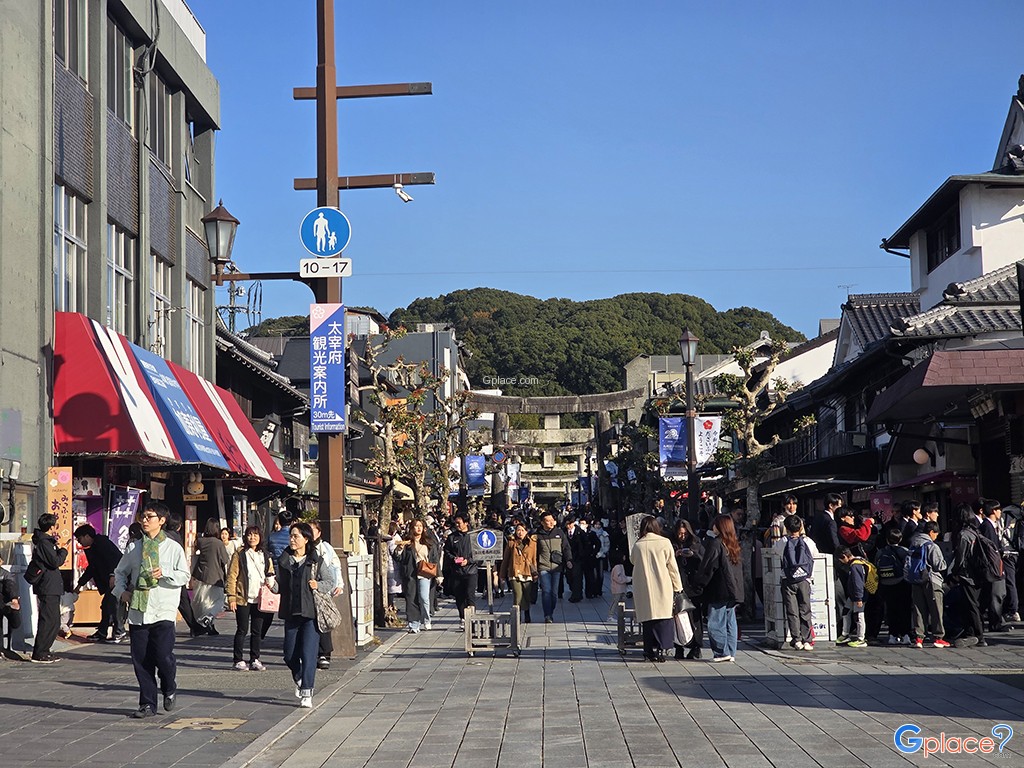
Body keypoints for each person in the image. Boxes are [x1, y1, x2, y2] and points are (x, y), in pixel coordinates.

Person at [113, 502, 190, 718]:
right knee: (141, 660)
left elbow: (185, 576)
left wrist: (164, 572)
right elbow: (119, 572)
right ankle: (147, 703)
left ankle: (169, 686)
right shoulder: (134, 547)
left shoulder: (173, 548)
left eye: (149, 517)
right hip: (139, 610)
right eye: (143, 517)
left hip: (164, 609)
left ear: (162, 520)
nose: (145, 521)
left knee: (163, 655)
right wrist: (121, 592)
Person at [278, 522, 337, 708]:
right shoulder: (284, 560)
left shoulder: (316, 560)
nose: (292, 539)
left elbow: (330, 581)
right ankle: (299, 677)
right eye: (291, 536)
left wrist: (318, 585)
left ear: (306, 539)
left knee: (309, 654)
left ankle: (307, 692)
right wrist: (272, 585)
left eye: (296, 536)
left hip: (311, 613)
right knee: (289, 654)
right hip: (290, 612)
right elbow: (280, 585)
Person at [630, 516, 682, 662]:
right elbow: (672, 567)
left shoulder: (638, 544)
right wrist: (678, 587)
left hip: (644, 587)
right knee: (663, 619)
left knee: (648, 620)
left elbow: (632, 560)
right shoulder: (665, 543)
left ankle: (648, 650)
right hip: (663, 585)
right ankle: (661, 649)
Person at [226, 525, 276, 671]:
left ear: (260, 537)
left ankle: (255, 658)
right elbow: (232, 576)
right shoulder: (240, 554)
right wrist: (231, 597)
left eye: (255, 535)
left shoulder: (265, 554)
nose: (252, 538)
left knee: (257, 631)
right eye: (249, 535)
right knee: (242, 629)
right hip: (243, 597)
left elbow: (270, 571)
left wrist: (271, 580)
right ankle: (238, 659)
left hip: (260, 598)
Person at [696, 514, 745, 662]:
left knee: (715, 621)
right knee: (730, 621)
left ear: (720, 527)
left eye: (715, 525)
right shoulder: (733, 544)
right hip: (734, 589)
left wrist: (699, 583)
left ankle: (721, 652)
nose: (713, 527)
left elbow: (708, 567)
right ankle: (731, 651)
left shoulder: (716, 543)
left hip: (719, 588)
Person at [773, 514, 819, 651]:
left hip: (788, 580)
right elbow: (815, 554)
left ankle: (796, 639)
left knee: (792, 611)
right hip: (804, 580)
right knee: (805, 609)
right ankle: (807, 639)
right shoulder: (808, 542)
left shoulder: (782, 542)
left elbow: (776, 552)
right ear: (801, 527)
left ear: (785, 528)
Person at [73, 523, 125, 642]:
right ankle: (102, 632)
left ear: (86, 536)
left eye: (79, 538)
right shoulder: (94, 547)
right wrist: (80, 584)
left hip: (117, 579)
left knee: (113, 605)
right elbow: (92, 568)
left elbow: (115, 559)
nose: (79, 542)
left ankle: (119, 631)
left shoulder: (102, 543)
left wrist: (113, 575)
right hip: (111, 580)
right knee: (107, 605)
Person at [29, 513, 67, 663]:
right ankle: (40, 652)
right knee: (48, 620)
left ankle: (45, 650)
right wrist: (63, 550)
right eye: (55, 525)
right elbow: (54, 561)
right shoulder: (44, 542)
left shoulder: (47, 542)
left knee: (54, 621)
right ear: (51, 527)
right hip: (47, 586)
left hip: (51, 586)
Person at [906, 520, 949, 648]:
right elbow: (939, 565)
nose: (936, 536)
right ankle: (938, 637)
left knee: (918, 609)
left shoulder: (913, 543)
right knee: (936, 609)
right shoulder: (931, 545)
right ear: (931, 532)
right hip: (931, 580)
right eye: (936, 534)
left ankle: (919, 638)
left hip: (915, 579)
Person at [394, 518, 440, 633]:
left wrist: (439, 574)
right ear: (412, 528)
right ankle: (414, 624)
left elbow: (435, 559)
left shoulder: (429, 542)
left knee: (424, 598)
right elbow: (399, 558)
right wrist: (399, 550)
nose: (419, 528)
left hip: (425, 573)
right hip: (411, 574)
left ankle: (426, 619)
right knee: (411, 599)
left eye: (421, 526)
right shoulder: (407, 542)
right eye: (416, 526)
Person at [950, 505, 986, 648]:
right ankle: (971, 632)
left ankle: (979, 635)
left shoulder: (963, 534)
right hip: (979, 573)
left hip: (967, 575)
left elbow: (960, 557)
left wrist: (954, 572)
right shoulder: (976, 531)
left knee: (971, 606)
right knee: (973, 604)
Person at [670, 519, 705, 659]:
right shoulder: (671, 543)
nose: (682, 536)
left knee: (695, 617)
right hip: (678, 584)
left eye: (684, 534)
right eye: (679, 534)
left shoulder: (696, 543)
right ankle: (679, 647)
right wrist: (676, 554)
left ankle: (696, 646)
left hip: (693, 585)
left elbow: (703, 560)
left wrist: (693, 554)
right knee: (678, 617)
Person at [310, 521, 343, 668]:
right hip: (307, 590)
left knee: (323, 620)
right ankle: (311, 651)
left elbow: (336, 566)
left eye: (313, 530)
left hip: (323, 589)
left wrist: (339, 585)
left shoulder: (325, 548)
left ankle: (324, 653)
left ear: (319, 532)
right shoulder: (302, 547)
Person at [191, 519, 230, 635]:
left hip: (201, 576)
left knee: (204, 602)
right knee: (218, 601)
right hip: (215, 577)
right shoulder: (218, 543)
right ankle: (209, 617)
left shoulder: (200, 541)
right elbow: (225, 560)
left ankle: (209, 626)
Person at [874, 527, 911, 645]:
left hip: (886, 583)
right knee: (904, 609)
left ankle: (892, 635)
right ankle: (905, 634)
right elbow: (908, 567)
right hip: (901, 582)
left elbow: (876, 566)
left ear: (887, 539)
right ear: (900, 539)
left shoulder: (881, 552)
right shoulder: (904, 551)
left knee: (891, 610)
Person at [535, 511, 572, 623]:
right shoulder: (537, 535)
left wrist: (569, 560)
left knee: (554, 593)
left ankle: (550, 610)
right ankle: (548, 615)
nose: (550, 523)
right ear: (542, 523)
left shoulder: (559, 533)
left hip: (557, 566)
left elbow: (566, 548)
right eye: (547, 521)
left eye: (552, 521)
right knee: (546, 591)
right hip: (543, 566)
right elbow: (534, 551)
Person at [442, 514, 477, 630]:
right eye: (456, 523)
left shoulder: (473, 536)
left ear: (466, 523)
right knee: (459, 596)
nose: (457, 525)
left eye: (459, 523)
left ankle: (471, 618)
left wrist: (469, 560)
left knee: (470, 595)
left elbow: (478, 553)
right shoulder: (452, 537)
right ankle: (462, 617)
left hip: (471, 571)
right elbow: (447, 551)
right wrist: (453, 559)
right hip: (456, 571)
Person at [499, 521, 538, 623]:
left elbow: (534, 559)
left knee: (527, 594)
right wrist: (502, 574)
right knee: (518, 594)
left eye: (522, 530)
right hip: (515, 572)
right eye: (518, 530)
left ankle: (527, 612)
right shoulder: (511, 543)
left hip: (527, 571)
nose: (520, 532)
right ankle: (517, 615)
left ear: (526, 531)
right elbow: (506, 559)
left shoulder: (532, 543)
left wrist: (535, 573)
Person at [835, 546, 868, 648]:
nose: (841, 562)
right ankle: (845, 634)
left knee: (859, 615)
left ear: (844, 556)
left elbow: (858, 583)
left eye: (841, 559)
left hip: (859, 596)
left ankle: (861, 639)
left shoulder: (855, 566)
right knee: (846, 612)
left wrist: (859, 598)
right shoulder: (859, 561)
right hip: (853, 595)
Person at [0, 551, 22, 649]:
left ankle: (13, 610)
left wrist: (14, 598)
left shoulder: (5, 574)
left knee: (15, 622)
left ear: (1, 561)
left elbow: (10, 585)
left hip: (4, 601)